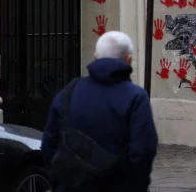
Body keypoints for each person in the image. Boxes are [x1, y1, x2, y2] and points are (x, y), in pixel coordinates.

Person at [41, 31, 158, 191]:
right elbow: (143, 151)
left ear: (95, 57)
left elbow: (49, 143)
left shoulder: (70, 90)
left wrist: (60, 179)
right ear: (128, 59)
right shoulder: (135, 97)